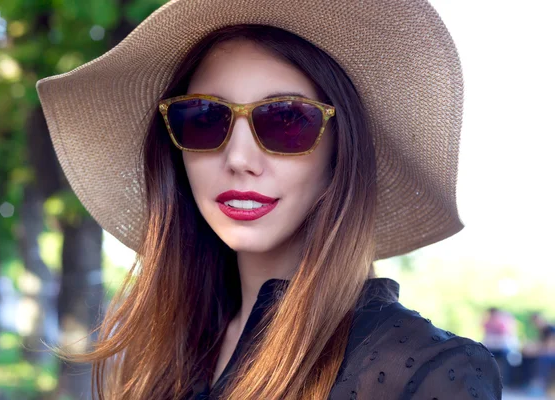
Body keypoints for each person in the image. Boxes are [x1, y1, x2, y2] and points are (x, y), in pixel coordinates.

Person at [35, 1, 503, 399]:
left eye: (285, 121)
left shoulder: (430, 373)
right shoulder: (156, 353)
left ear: (343, 149)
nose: (238, 157)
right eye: (203, 119)